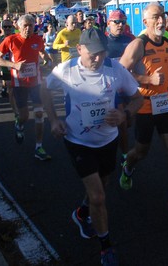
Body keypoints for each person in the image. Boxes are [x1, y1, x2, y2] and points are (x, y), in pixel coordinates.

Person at [41, 28, 142, 266]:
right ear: (79, 49)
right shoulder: (66, 69)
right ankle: (106, 247)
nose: (98, 58)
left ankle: (81, 212)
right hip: (78, 141)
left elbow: (137, 98)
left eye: (102, 52)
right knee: (98, 195)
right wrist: (54, 120)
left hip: (107, 140)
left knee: (104, 184)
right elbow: (44, 89)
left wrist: (124, 113)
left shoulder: (114, 69)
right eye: (93, 54)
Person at [118, 3, 168, 216]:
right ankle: (127, 167)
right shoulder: (138, 44)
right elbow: (120, 72)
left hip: (165, 104)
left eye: (162, 16)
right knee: (141, 152)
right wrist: (147, 79)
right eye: (155, 17)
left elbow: (165, 72)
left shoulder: (166, 42)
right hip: (144, 106)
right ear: (145, 21)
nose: (161, 21)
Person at [0, 14, 51, 160]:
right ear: (18, 27)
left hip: (36, 83)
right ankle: (19, 125)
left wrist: (47, 60)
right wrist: (14, 65)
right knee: (24, 115)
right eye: (25, 25)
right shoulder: (10, 40)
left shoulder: (37, 39)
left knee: (39, 114)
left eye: (30, 25)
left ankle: (39, 147)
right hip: (19, 84)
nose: (28, 28)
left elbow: (43, 52)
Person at [104, 9, 135, 166]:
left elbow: (139, 60)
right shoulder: (103, 40)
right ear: (109, 23)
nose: (120, 25)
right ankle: (124, 155)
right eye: (116, 22)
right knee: (121, 122)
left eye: (123, 22)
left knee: (127, 122)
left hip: (127, 85)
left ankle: (119, 144)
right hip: (110, 88)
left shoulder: (130, 39)